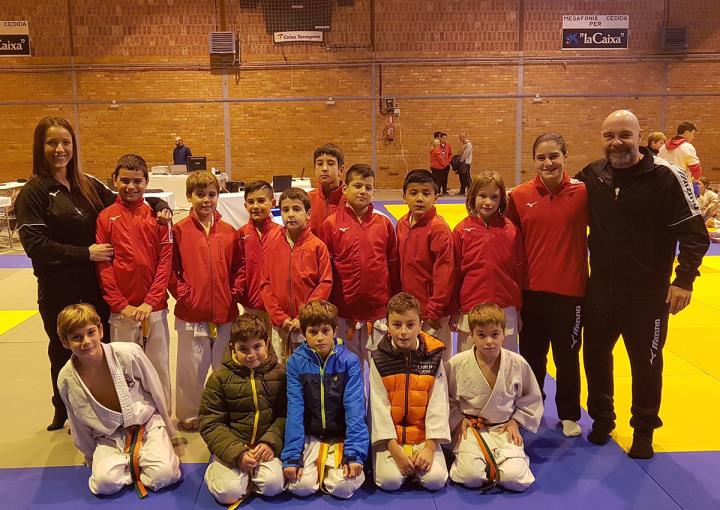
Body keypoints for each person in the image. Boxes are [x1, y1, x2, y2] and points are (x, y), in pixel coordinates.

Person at [14, 116, 171, 431]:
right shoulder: (33, 192)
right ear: (39, 147)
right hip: (60, 287)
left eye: (66, 142)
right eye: (52, 142)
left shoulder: (85, 184)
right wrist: (85, 252)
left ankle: (112, 407)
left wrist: (158, 204)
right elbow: (36, 246)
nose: (60, 149)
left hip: (96, 285)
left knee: (103, 350)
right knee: (66, 349)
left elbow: (127, 197)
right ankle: (67, 411)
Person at [576, 109, 709, 459]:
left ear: (640, 137)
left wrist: (684, 281)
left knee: (647, 364)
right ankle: (603, 419)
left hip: (648, 295)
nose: (616, 142)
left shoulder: (667, 176)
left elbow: (695, 236)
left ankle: (645, 428)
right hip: (600, 289)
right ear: (601, 139)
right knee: (595, 358)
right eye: (609, 136)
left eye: (624, 135)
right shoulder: (592, 175)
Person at [506, 133, 587, 438]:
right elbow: (509, 241)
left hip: (571, 291)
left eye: (554, 156)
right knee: (532, 356)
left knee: (567, 356)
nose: (548, 162)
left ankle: (568, 414)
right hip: (532, 290)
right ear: (534, 161)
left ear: (565, 157)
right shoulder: (519, 196)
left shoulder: (582, 193)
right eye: (541, 157)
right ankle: (531, 408)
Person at [56, 303, 181, 497]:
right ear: (65, 342)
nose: (86, 341)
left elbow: (155, 389)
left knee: (164, 476)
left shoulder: (128, 353)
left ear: (100, 330)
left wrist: (167, 427)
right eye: (76, 337)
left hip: (145, 424)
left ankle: (136, 461)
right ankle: (133, 464)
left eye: (90, 332)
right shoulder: (66, 378)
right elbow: (77, 421)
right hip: (107, 435)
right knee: (104, 484)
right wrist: (90, 455)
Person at [96, 154, 174, 411]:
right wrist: (120, 305)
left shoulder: (159, 217)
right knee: (124, 370)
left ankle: (163, 419)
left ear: (147, 181)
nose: (131, 186)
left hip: (155, 308)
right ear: (114, 180)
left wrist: (151, 302)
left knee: (159, 367)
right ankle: (131, 420)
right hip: (123, 311)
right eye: (125, 181)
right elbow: (104, 266)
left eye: (137, 181)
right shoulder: (106, 217)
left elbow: (165, 261)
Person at [169, 170, 243, 432]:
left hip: (225, 311)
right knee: (191, 367)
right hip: (191, 312)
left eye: (212, 194)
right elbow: (171, 270)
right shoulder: (179, 230)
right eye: (200, 195)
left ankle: (225, 410)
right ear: (189, 197)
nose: (206, 200)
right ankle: (189, 412)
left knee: (225, 365)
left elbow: (239, 268)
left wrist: (233, 293)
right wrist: (186, 296)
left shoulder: (229, 232)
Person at [447, 302, 543, 492]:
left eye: (495, 334)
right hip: (471, 428)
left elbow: (531, 398)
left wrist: (516, 421)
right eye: (481, 335)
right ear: (471, 335)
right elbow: (445, 398)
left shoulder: (517, 363)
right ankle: (474, 458)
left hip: (503, 428)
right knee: (470, 476)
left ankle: (510, 460)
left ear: (504, 333)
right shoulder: (457, 363)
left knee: (516, 480)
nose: (489, 341)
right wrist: (457, 420)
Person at [319, 164, 401, 376]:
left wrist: (393, 301)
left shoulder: (384, 223)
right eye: (357, 186)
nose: (363, 191)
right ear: (345, 188)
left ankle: (378, 411)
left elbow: (392, 264)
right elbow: (325, 271)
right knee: (349, 374)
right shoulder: (331, 224)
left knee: (381, 374)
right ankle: (352, 411)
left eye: (369, 187)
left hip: (378, 312)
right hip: (345, 313)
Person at [282, 299, 369, 499]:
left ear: (335, 331)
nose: (320, 337)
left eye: (325, 331)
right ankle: (319, 463)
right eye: (313, 332)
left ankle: (333, 463)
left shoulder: (349, 362)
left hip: (341, 435)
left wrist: (354, 453)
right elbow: (294, 410)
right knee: (300, 487)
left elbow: (355, 408)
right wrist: (292, 456)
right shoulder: (295, 363)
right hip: (311, 435)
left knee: (342, 488)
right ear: (304, 333)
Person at [200, 315, 286, 506]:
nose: (251, 354)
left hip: (264, 447)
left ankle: (249, 477)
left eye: (257, 347)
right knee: (227, 494)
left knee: (274, 486)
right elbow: (211, 423)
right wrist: (237, 453)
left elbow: (285, 415)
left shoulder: (280, 374)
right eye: (243, 349)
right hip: (233, 445)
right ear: (233, 348)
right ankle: (220, 469)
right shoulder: (219, 378)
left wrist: (271, 442)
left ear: (268, 344)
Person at [369, 292, 450, 491]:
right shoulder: (378, 359)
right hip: (391, 439)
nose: (403, 331)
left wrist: (430, 447)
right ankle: (396, 458)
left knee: (436, 480)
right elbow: (378, 407)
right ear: (387, 325)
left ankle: (423, 456)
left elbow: (438, 403)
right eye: (397, 325)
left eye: (410, 324)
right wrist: (394, 449)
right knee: (389, 482)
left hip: (423, 435)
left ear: (420, 325)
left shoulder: (434, 357)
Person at [450, 171, 525, 353]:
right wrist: (453, 309)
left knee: (507, 367)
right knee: (467, 369)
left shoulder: (511, 230)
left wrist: (519, 310)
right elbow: (454, 273)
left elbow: (520, 272)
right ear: (473, 196)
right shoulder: (461, 230)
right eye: (483, 196)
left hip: (505, 308)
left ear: (501, 200)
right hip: (471, 309)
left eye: (494, 197)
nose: (488, 202)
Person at [260, 187, 333, 361]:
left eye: (296, 209)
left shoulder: (317, 247)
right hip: (281, 325)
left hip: (308, 325)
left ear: (308, 214)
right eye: (285, 210)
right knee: (281, 370)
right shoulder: (273, 246)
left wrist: (304, 317)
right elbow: (265, 284)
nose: (290, 214)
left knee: (308, 371)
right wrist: (280, 317)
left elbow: (325, 283)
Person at [396, 169, 456, 362]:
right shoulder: (402, 224)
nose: (419, 199)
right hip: (409, 310)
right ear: (404, 196)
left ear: (436, 197)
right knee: (413, 365)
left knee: (438, 364)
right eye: (413, 193)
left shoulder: (438, 229)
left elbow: (445, 272)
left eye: (426, 193)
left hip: (433, 313)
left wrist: (435, 308)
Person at [237, 180, 282, 322]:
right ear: (245, 206)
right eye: (251, 202)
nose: (255, 206)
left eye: (261, 201)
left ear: (273, 203)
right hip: (250, 305)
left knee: (275, 345)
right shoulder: (240, 234)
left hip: (277, 306)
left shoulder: (281, 233)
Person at [308, 143, 346, 234]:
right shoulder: (307, 199)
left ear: (340, 170)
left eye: (330, 163)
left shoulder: (351, 200)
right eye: (320, 164)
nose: (324, 168)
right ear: (315, 169)